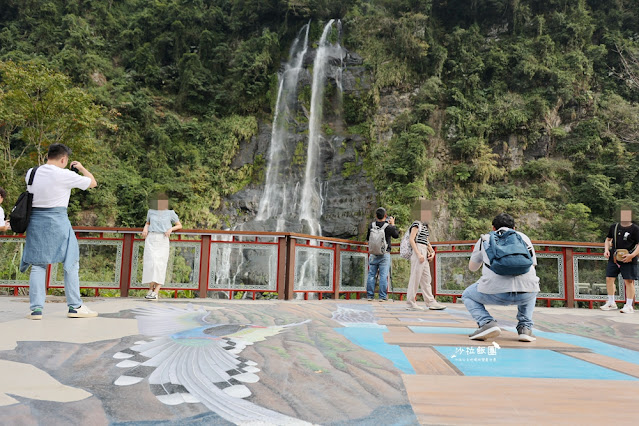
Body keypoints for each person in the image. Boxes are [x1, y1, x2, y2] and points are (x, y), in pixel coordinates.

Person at [20, 143, 98, 320]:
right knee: (70, 261)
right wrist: (81, 168)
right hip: (57, 221)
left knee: (38, 264)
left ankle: (36, 310)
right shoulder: (65, 174)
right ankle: (75, 306)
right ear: (64, 159)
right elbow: (93, 182)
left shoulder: (31, 172)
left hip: (35, 221)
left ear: (48, 156)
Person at [462, 213, 539, 342]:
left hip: (496, 292)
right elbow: (533, 264)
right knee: (531, 284)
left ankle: (487, 323)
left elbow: (473, 268)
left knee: (467, 295)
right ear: (514, 228)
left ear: (493, 228)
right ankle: (525, 328)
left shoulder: (485, 239)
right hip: (526, 295)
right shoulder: (524, 238)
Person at [406, 199, 446, 310]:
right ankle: (410, 303)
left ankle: (430, 302)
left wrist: (431, 251)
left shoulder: (424, 225)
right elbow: (411, 239)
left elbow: (426, 241)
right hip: (418, 250)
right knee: (415, 277)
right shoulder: (416, 224)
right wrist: (419, 254)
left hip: (423, 250)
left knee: (426, 279)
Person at [141, 193, 182, 300]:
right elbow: (148, 222)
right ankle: (150, 289)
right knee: (150, 263)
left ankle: (156, 291)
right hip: (151, 238)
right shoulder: (151, 211)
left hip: (163, 239)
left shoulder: (170, 213)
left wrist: (171, 229)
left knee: (160, 264)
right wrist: (145, 228)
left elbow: (179, 225)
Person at [601, 209, 638, 314]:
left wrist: (632, 255)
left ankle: (629, 305)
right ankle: (611, 302)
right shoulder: (614, 227)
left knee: (629, 281)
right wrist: (606, 250)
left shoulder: (635, 229)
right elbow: (608, 239)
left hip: (628, 257)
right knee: (609, 278)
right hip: (614, 257)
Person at [365, 207, 399, 301]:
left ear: (376, 216)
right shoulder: (388, 227)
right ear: (385, 216)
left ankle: (370, 296)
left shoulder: (371, 225)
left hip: (373, 253)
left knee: (371, 274)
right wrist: (393, 224)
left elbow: (368, 238)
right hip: (385, 253)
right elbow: (396, 235)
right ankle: (382, 297)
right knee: (383, 276)